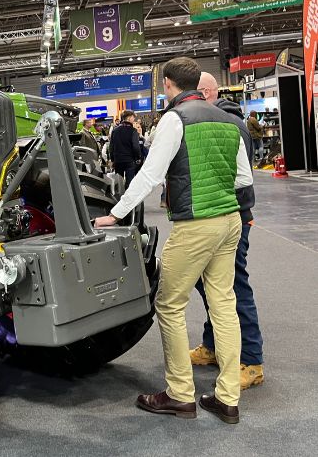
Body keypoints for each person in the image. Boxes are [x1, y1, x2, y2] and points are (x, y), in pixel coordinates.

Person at [94, 57, 253, 424]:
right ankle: (228, 398)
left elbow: (150, 175)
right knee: (223, 305)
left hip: (197, 225)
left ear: (168, 84)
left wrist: (116, 213)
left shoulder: (175, 119)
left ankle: (180, 394)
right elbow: (244, 178)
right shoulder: (229, 120)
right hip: (230, 221)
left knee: (169, 304)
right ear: (196, 82)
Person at [194, 72, 264, 390]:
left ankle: (251, 360)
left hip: (231, 217)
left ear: (207, 92)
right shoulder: (220, 118)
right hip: (216, 217)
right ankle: (212, 345)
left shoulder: (228, 123)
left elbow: (238, 177)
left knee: (233, 285)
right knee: (210, 282)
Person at [109, 110, 142, 185]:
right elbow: (136, 146)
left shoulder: (115, 131)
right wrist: (138, 157)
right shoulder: (133, 131)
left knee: (119, 182)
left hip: (118, 160)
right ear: (129, 118)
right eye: (133, 117)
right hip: (129, 160)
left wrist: (112, 159)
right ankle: (128, 196)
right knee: (129, 183)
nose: (134, 120)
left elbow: (111, 146)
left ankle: (119, 196)